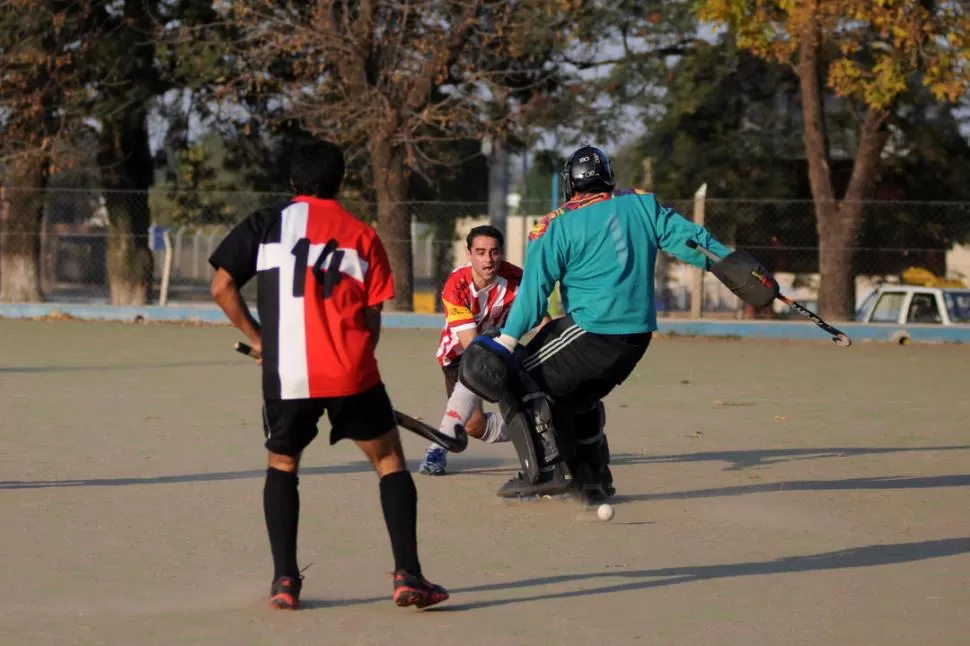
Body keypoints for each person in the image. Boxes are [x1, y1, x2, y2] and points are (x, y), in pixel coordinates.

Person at [458, 145, 777, 503]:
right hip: (637, 338)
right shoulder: (642, 204)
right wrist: (735, 265)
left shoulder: (554, 226)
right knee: (577, 391)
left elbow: (533, 297)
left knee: (512, 374)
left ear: (570, 184)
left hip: (593, 329)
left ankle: (545, 470)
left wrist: (505, 342)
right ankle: (591, 482)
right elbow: (694, 242)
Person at [208, 140, 448, 611]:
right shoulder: (362, 233)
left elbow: (221, 286)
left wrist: (262, 341)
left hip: (287, 374)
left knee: (283, 464)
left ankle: (284, 581)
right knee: (389, 463)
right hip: (351, 373)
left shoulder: (265, 223)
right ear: (341, 182)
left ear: (292, 183)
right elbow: (373, 319)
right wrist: (354, 363)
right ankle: (408, 575)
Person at [419, 225, 548, 475]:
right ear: (469, 254)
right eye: (480, 252)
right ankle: (538, 425)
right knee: (474, 427)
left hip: (500, 350)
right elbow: (473, 349)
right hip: (458, 357)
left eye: (494, 252)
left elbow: (544, 321)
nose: (488, 259)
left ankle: (437, 449)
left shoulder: (517, 280)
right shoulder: (456, 286)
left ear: (501, 253)